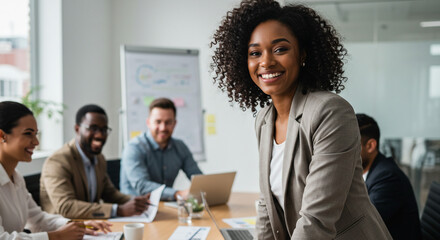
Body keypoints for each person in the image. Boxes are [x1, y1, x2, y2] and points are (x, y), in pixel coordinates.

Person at [210, 0, 392, 239]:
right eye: (255, 53)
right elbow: (267, 204)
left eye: (280, 49)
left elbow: (316, 219)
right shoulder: (264, 120)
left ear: (303, 54)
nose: (266, 62)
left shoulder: (331, 112)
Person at [0, 101, 111, 240]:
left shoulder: (16, 178)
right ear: (2, 136)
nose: (36, 142)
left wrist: (76, 225)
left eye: (36, 134)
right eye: (28, 134)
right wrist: (57, 236)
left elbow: (38, 219)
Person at [40, 104, 150, 219]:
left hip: (91, 227)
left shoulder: (99, 159)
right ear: (77, 129)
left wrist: (136, 201)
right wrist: (118, 210)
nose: (100, 135)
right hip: (62, 230)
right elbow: (66, 207)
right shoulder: (58, 161)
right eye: (93, 128)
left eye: (104, 129)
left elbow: (110, 194)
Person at [120, 98, 202, 201]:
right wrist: (177, 193)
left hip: (165, 205)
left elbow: (197, 177)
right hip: (136, 209)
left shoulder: (180, 147)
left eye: (168, 122)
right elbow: (142, 186)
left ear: (174, 124)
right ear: (148, 123)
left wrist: (205, 188)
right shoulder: (134, 148)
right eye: (158, 122)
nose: (163, 128)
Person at [356, 113, 422, 240]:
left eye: (352, 146)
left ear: (370, 146)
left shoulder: (387, 177)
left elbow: (364, 224)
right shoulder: (372, 172)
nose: (346, 152)